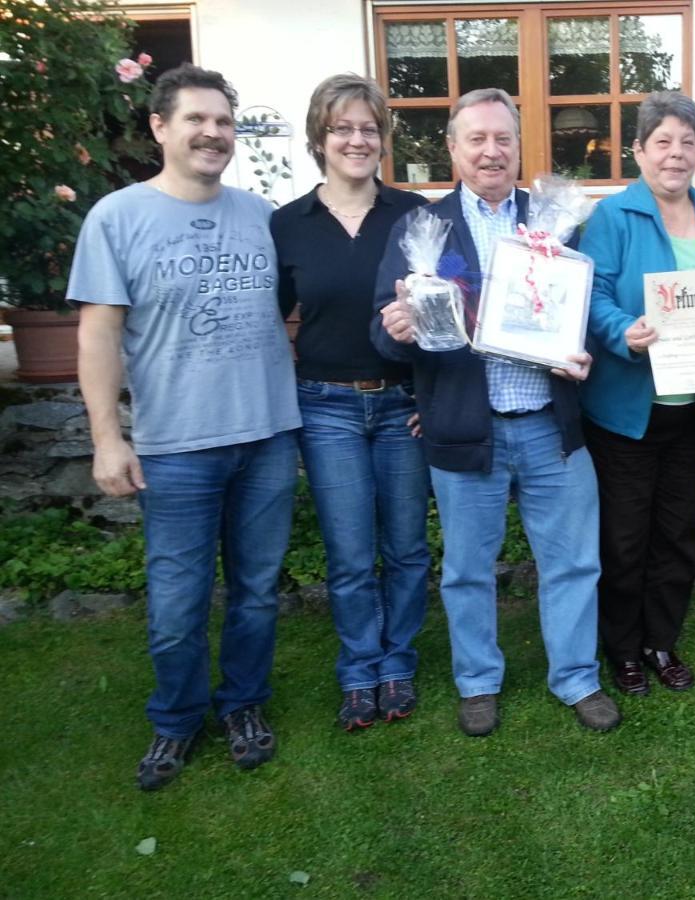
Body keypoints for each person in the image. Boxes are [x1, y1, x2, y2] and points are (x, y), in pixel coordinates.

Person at [69, 64, 301, 790]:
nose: (213, 133)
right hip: (175, 447)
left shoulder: (264, 215)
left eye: (225, 121)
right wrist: (108, 436)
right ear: (159, 128)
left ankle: (244, 706)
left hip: (266, 434)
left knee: (257, 591)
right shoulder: (117, 217)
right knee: (176, 602)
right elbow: (98, 335)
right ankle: (175, 720)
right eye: (197, 120)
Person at [370, 88, 620, 736]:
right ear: (452, 149)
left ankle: (577, 677)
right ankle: (477, 681)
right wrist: (395, 325)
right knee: (466, 570)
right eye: (475, 138)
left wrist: (581, 353)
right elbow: (382, 335)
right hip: (465, 430)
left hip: (548, 425)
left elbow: (583, 311)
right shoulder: (421, 230)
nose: (490, 150)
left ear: (517, 147)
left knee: (572, 561)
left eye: (502, 138)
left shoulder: (554, 220)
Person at [271, 75, 430, 732]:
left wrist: (433, 393)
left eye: (369, 128)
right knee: (349, 552)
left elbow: (444, 316)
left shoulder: (416, 216)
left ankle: (398, 663)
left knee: (408, 547)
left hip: (402, 406)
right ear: (320, 138)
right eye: (343, 128)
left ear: (384, 139)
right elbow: (270, 323)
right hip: (326, 407)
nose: (357, 139)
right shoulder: (288, 224)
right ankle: (359, 669)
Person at [578, 91, 695, 695]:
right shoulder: (612, 218)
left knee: (677, 535)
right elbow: (589, 296)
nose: (676, 155)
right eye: (663, 142)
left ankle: (661, 641)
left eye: (687, 142)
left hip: (693, 406)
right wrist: (623, 330)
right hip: (626, 411)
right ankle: (621, 648)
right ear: (639, 151)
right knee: (623, 538)